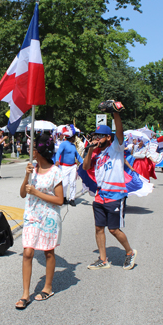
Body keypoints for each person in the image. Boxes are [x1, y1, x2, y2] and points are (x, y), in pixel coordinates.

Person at [82, 105, 137, 271]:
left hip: (115, 196)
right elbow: (85, 167)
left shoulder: (116, 148)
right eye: (95, 136)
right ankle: (103, 259)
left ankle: (129, 252)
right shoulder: (98, 155)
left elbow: (119, 131)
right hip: (100, 195)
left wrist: (115, 113)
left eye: (99, 136)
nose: (96, 138)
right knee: (99, 228)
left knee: (113, 229)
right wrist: (90, 149)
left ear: (107, 137)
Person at [16, 133, 63, 310]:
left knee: (48, 253)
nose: (30, 151)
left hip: (49, 218)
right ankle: (25, 294)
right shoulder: (31, 170)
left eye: (33, 149)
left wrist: (37, 193)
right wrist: (26, 177)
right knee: (28, 252)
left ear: (39, 151)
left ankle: (48, 287)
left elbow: (60, 200)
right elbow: (22, 193)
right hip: (32, 216)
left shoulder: (55, 172)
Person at [55, 127, 83, 206]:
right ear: (71, 137)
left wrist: (83, 162)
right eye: (75, 136)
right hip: (64, 167)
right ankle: (63, 197)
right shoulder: (63, 144)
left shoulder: (73, 146)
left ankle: (72, 199)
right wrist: (57, 160)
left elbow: (77, 156)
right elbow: (58, 153)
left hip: (73, 167)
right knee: (64, 183)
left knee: (73, 183)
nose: (75, 138)